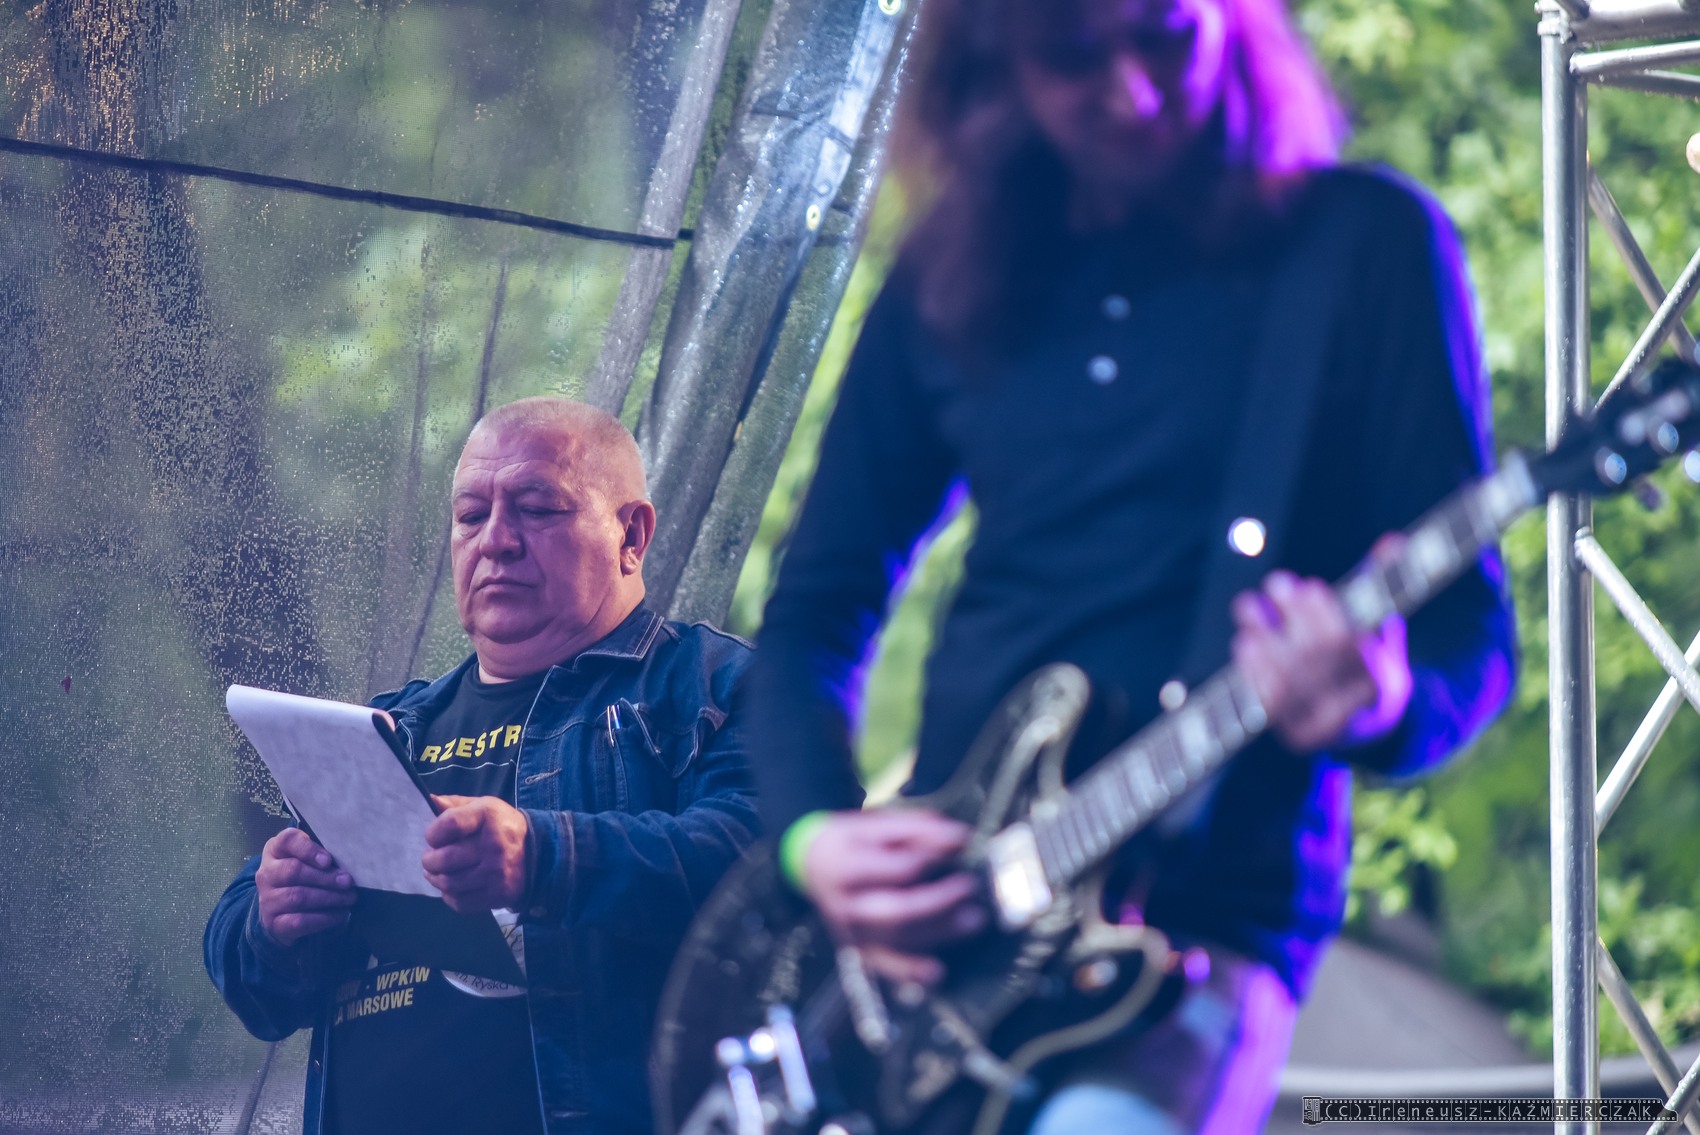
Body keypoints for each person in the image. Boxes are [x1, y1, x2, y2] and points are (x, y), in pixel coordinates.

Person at [741, 0, 1518, 1131]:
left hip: (1201, 921)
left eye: (1165, 35)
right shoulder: (952, 270)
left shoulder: (1362, 245)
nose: (1135, 89)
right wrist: (814, 834)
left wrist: (1380, 702)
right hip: (953, 915)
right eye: (1073, 56)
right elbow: (816, 605)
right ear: (995, 61)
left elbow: (1470, 640)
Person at [204, 397, 760, 1135]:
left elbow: (774, 863)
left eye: (538, 508)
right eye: (471, 515)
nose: (496, 540)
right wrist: (273, 916)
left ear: (631, 534)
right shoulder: (392, 726)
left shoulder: (715, 686)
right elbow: (252, 983)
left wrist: (544, 857)